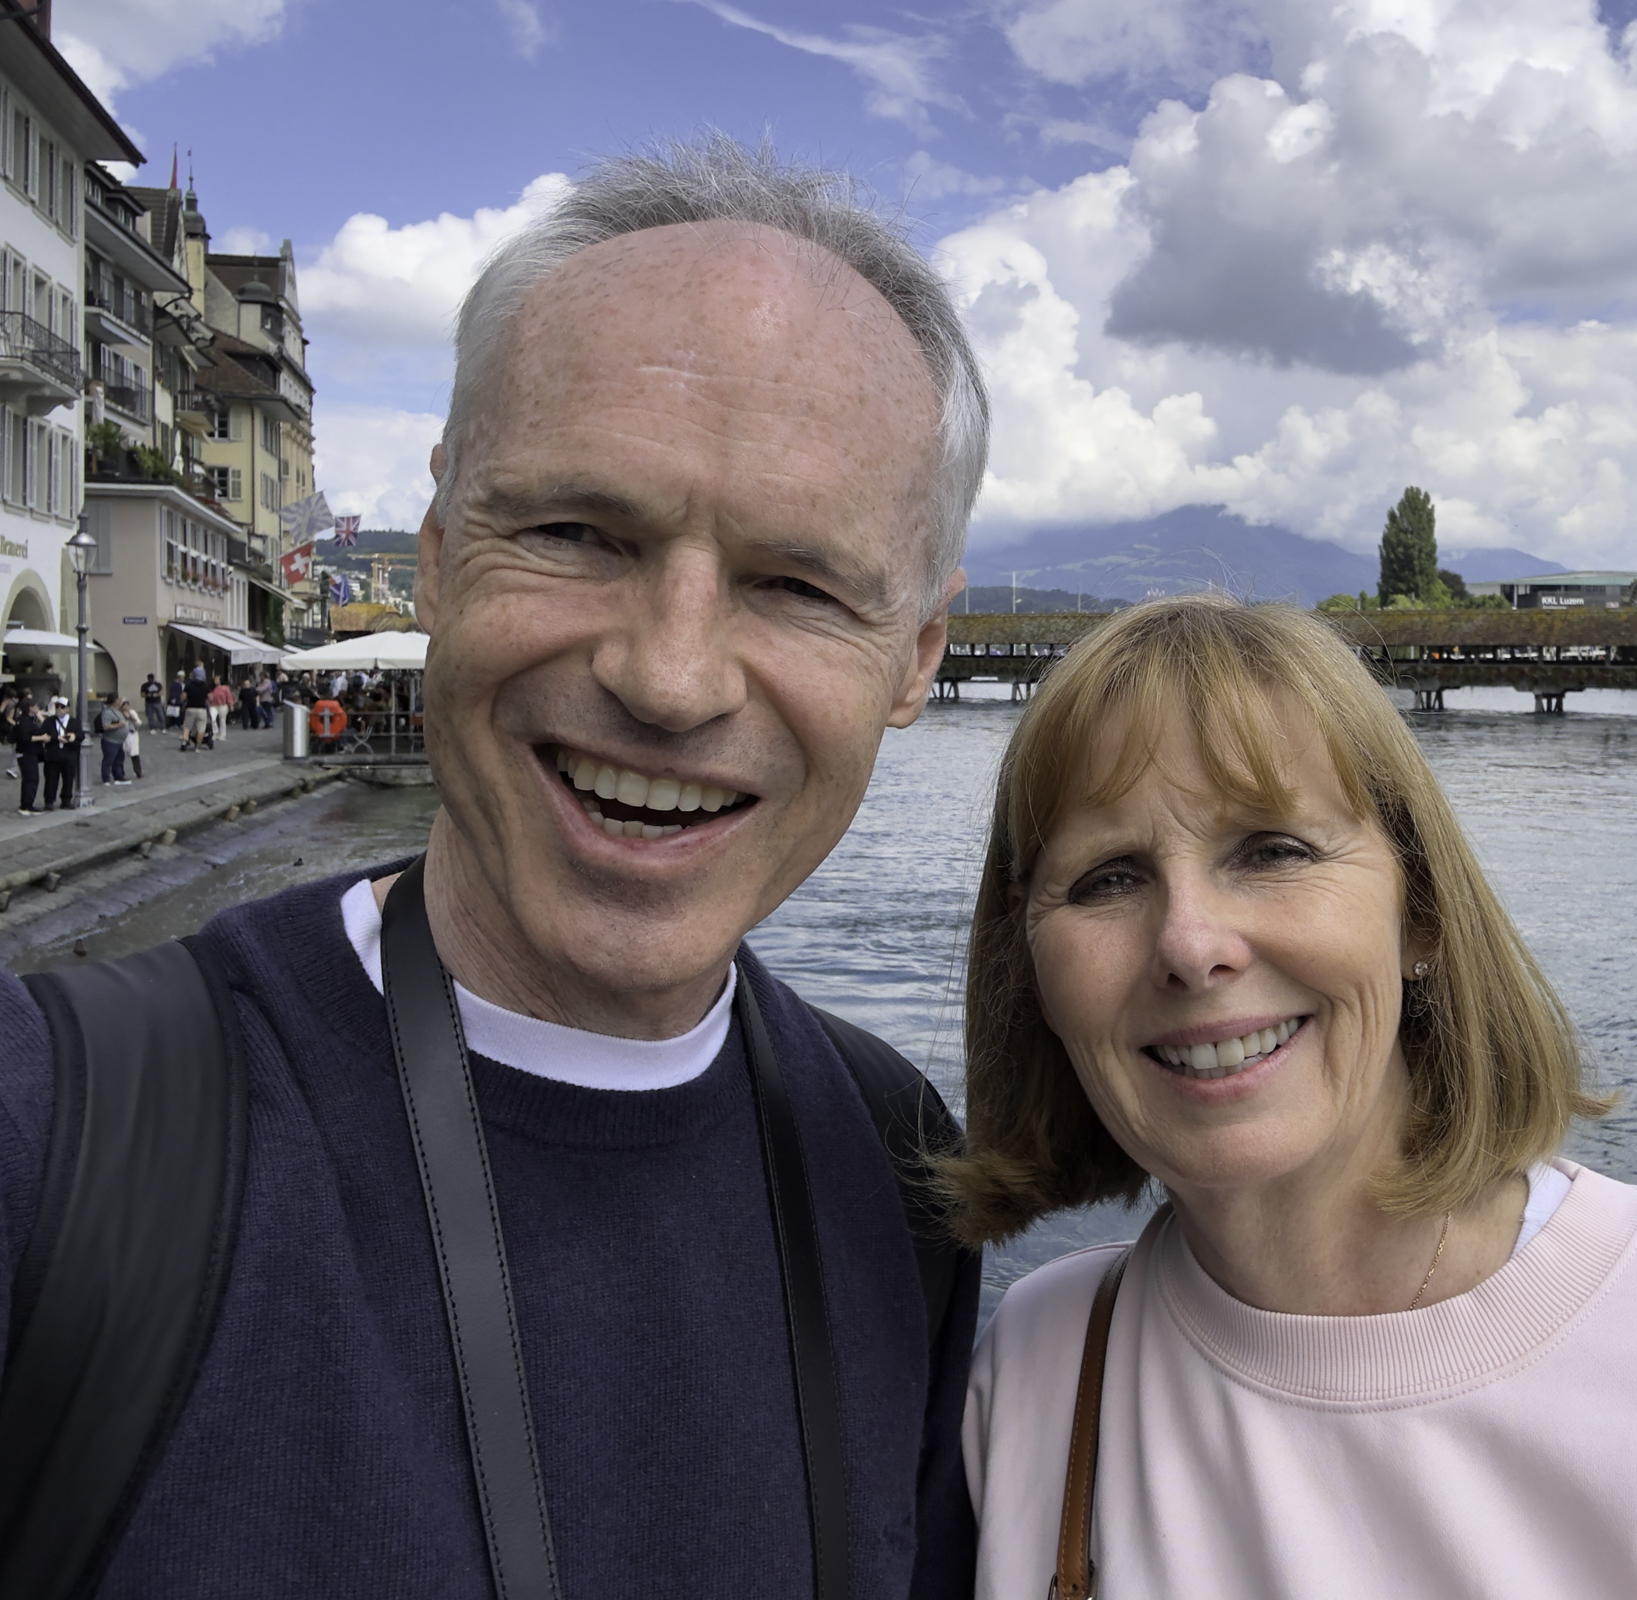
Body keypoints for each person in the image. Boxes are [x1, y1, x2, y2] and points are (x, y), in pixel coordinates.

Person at [0, 137, 987, 1597]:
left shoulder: (904, 1175)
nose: (669, 677)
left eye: (796, 583)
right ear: (443, 560)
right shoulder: (53, 1132)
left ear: (914, 661)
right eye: (581, 533)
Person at [953, 596, 1637, 1599]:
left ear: (1419, 914)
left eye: (1273, 850)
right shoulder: (1040, 1371)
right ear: (1032, 969)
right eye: (1108, 877)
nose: (1190, 944)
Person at [40, 696, 79, 809]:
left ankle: (66, 800)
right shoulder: (49, 721)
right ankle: (49, 801)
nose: (59, 709)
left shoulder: (74, 722)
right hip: (53, 755)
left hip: (68, 755)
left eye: (62, 707)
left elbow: (80, 735)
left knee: (68, 778)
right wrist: (57, 738)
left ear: (67, 708)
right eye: (57, 706)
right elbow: (43, 734)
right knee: (51, 778)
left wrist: (73, 737)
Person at [11, 692, 46, 812]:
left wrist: (40, 717)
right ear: (30, 707)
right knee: (30, 779)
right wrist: (42, 738)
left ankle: (27, 804)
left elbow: (43, 727)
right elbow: (25, 737)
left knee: (31, 779)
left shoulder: (30, 719)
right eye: (35, 706)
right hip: (26, 753)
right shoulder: (25, 721)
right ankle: (26, 805)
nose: (37, 707)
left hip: (30, 753)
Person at [95, 695, 131, 786]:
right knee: (109, 759)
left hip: (119, 741)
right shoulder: (107, 713)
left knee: (119, 758)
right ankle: (106, 778)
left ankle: (118, 776)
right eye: (119, 700)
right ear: (114, 702)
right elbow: (106, 726)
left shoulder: (117, 711)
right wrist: (119, 725)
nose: (120, 701)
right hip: (110, 740)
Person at [206, 677, 234, 743]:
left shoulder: (225, 688)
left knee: (222, 720)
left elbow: (229, 696)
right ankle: (214, 733)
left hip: (222, 705)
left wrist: (231, 705)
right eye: (215, 680)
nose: (216, 681)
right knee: (212, 719)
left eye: (217, 679)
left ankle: (222, 735)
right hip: (213, 705)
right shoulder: (211, 689)